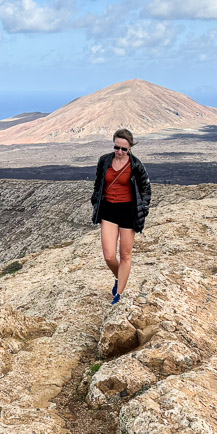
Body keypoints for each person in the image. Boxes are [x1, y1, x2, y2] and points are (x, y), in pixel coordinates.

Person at [90, 128, 151, 305]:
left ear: (130, 148)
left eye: (124, 149)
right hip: (108, 211)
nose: (119, 152)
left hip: (128, 212)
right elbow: (97, 185)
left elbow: (146, 189)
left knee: (125, 255)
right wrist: (96, 202)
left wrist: (142, 209)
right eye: (117, 147)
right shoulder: (104, 161)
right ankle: (119, 277)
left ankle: (119, 294)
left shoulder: (136, 165)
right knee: (109, 256)